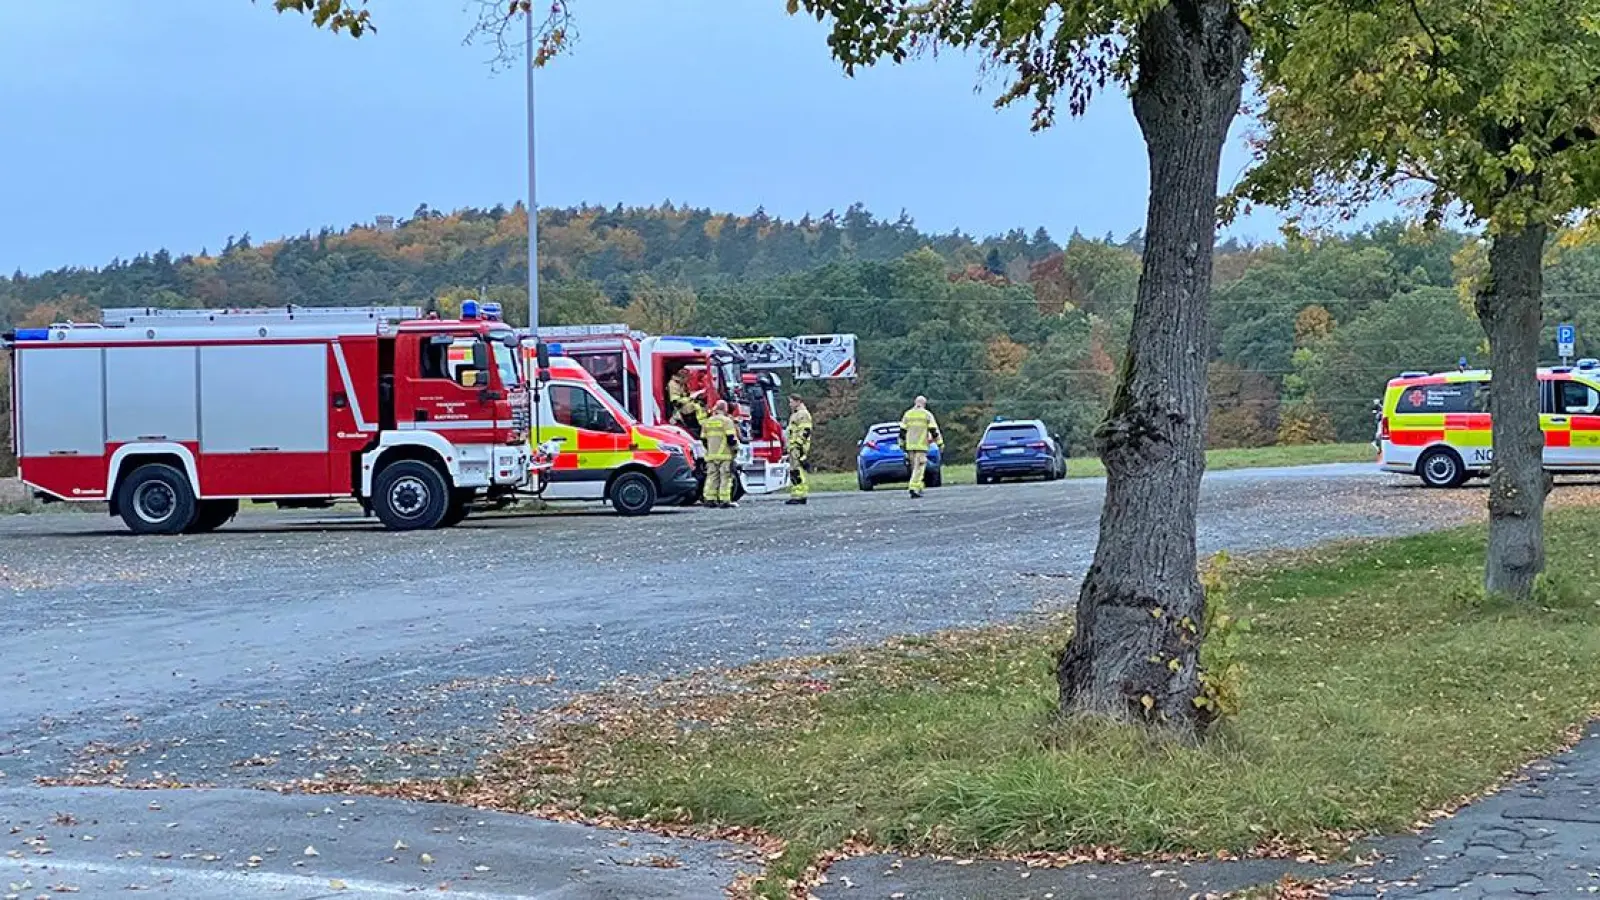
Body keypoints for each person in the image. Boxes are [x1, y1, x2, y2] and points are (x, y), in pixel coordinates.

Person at [898, 395, 942, 499]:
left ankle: (919, 487)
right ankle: (913, 487)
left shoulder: (908, 414)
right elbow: (933, 430)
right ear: (924, 404)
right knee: (920, 467)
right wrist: (940, 443)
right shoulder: (927, 414)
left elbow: (902, 431)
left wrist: (901, 443)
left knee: (914, 468)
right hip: (921, 445)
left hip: (910, 446)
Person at [700, 400, 741, 509]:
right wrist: (735, 449)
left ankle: (709, 499)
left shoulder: (707, 422)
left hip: (711, 455)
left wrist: (710, 450)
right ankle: (724, 500)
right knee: (726, 477)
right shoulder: (726, 421)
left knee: (711, 477)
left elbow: (703, 439)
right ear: (725, 409)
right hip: (725, 455)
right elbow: (731, 438)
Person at [785, 396, 813, 506]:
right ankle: (796, 493)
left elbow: (806, 430)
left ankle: (801, 494)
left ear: (798, 402)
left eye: (791, 402)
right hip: (793, 446)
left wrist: (799, 444)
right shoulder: (795, 414)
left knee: (797, 470)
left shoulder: (803, 414)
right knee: (793, 471)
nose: (790, 404)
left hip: (798, 446)